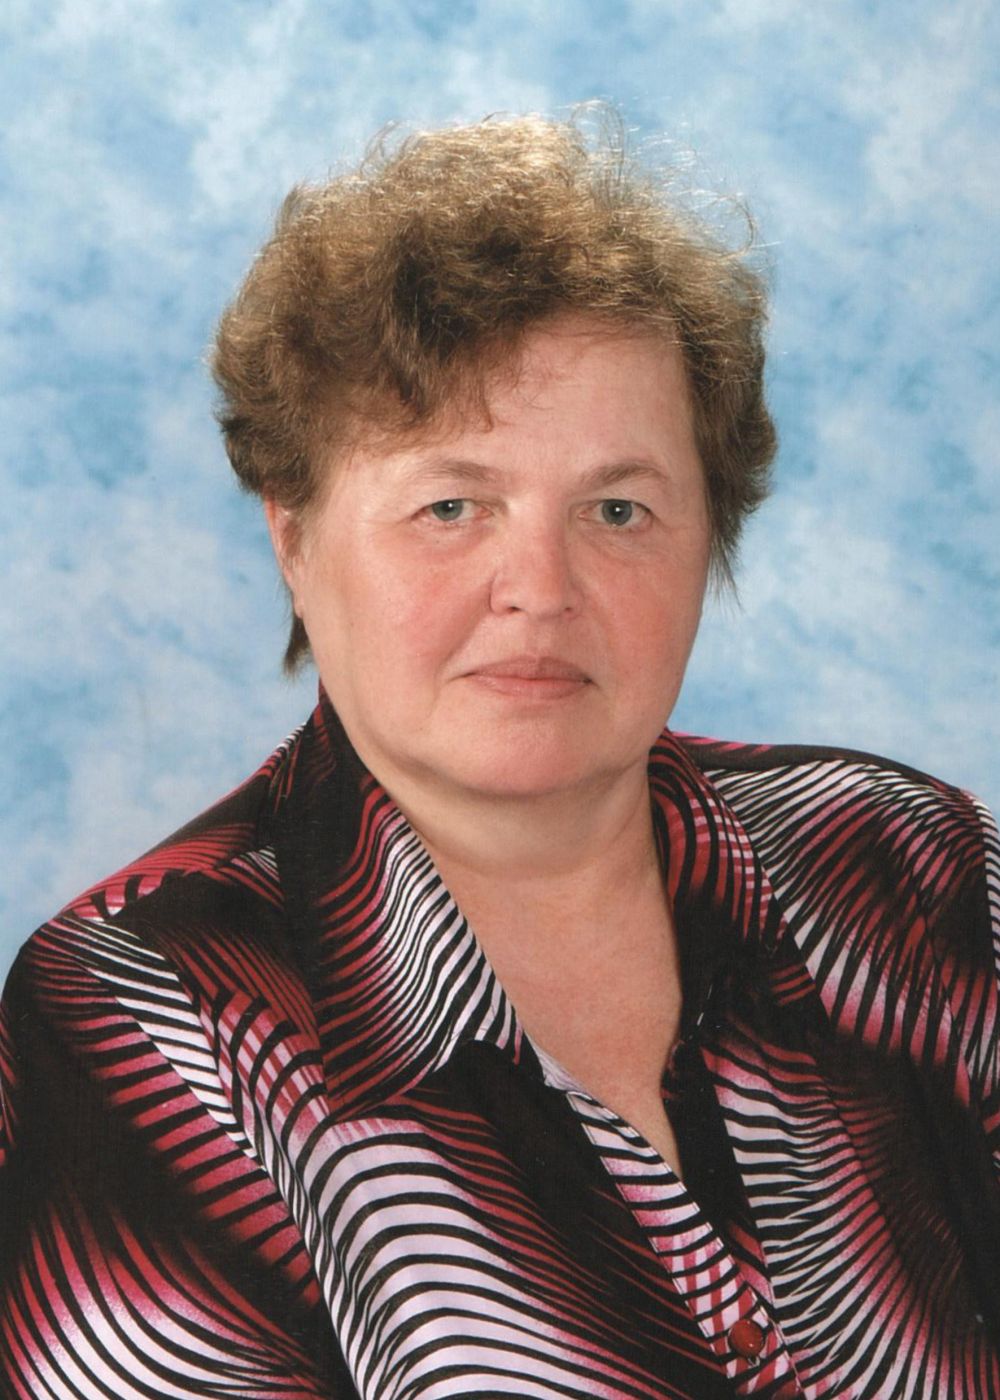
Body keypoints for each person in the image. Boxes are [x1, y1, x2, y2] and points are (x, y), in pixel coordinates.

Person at [2, 112, 998, 1400]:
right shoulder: (148, 1009)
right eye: (451, 505)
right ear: (295, 540)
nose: (541, 587)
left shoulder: (910, 869)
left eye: (618, 508)